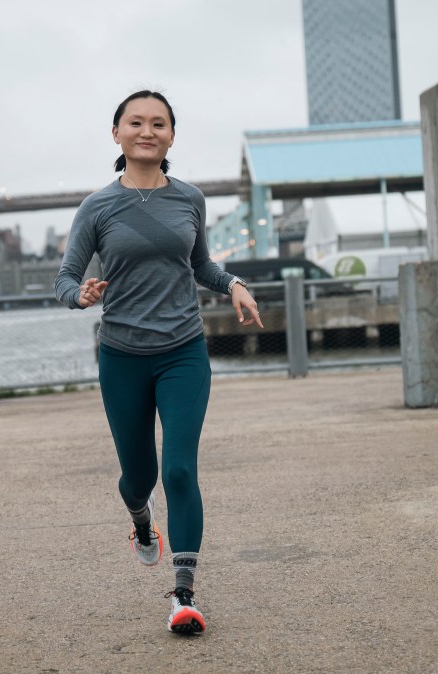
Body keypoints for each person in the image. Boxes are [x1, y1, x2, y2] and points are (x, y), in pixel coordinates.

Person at [54, 90, 262, 635]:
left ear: (171, 136)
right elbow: (65, 277)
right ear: (117, 134)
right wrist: (79, 295)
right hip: (122, 357)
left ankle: (184, 593)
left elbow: (202, 265)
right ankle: (141, 522)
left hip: (183, 353)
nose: (147, 131)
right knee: (139, 477)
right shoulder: (97, 207)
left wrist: (234, 284)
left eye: (159, 123)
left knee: (178, 469)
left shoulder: (189, 198)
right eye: (136, 122)